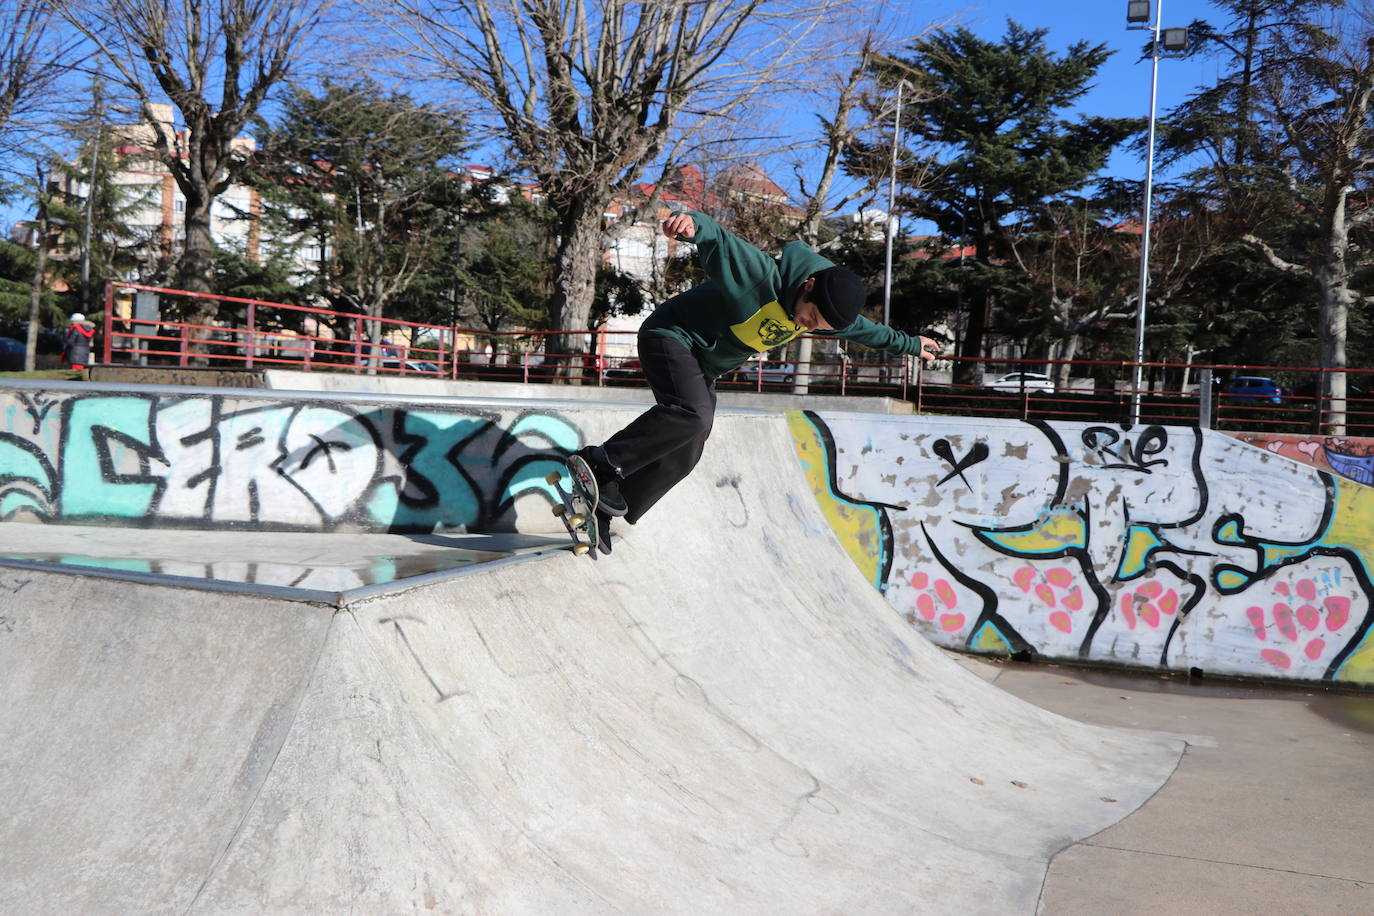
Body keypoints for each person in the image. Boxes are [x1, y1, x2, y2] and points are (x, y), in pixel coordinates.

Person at [574, 209, 943, 554]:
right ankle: (601, 461)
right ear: (808, 285)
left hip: (702, 365)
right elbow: (719, 238)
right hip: (670, 336)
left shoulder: (821, 314)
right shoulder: (761, 275)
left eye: (819, 327)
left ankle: (606, 506)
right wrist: (689, 224)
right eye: (811, 317)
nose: (808, 326)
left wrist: (911, 344)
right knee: (692, 414)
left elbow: (869, 331)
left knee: (689, 449)